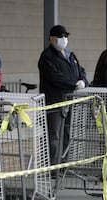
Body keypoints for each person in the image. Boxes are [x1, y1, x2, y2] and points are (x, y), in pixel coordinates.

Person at [38, 25, 88, 166]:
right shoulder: (47, 57)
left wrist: (83, 81)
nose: (64, 39)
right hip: (55, 101)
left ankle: (64, 163)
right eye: (61, 37)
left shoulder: (70, 55)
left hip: (70, 100)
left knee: (67, 132)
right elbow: (55, 77)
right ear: (52, 39)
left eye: (66, 36)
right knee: (53, 134)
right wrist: (73, 84)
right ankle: (53, 166)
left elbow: (80, 69)